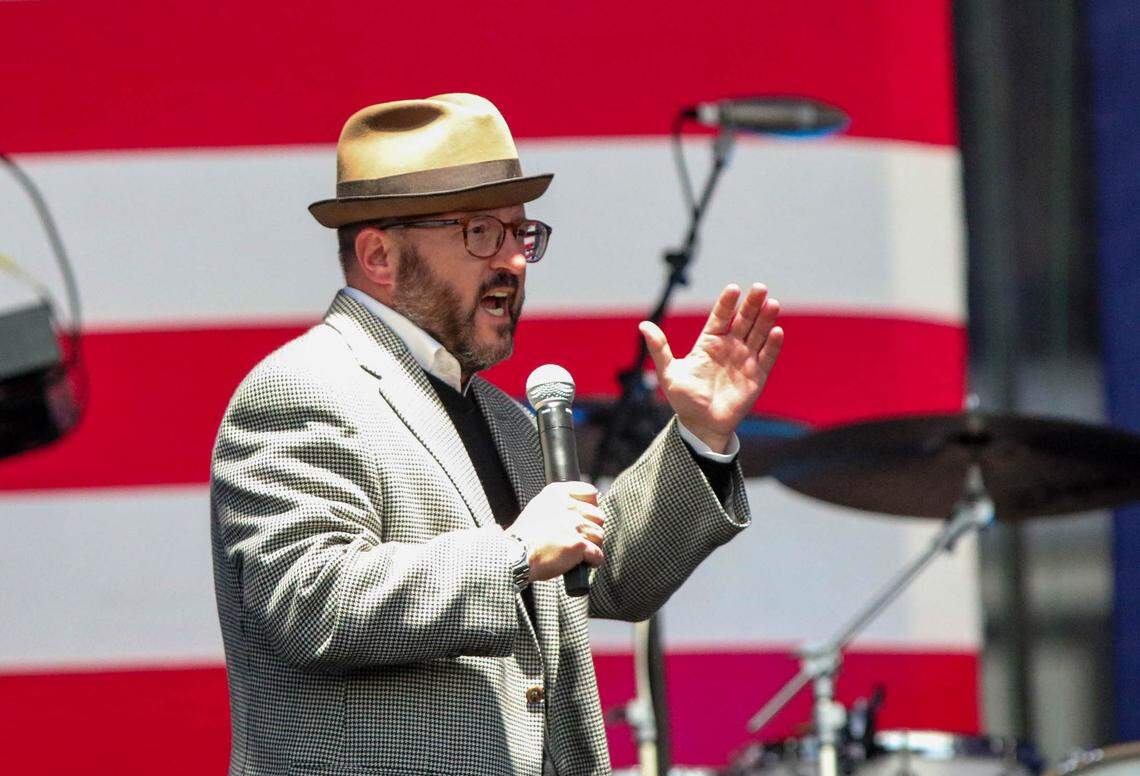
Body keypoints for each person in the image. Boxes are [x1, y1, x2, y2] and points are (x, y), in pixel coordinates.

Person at [210, 93, 783, 776]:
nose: (513, 260)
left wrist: (697, 435)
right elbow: (312, 601)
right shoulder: (305, 388)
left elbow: (607, 575)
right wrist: (512, 552)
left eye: (521, 233)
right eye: (481, 231)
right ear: (379, 255)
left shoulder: (503, 416)